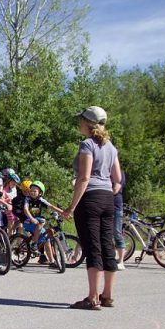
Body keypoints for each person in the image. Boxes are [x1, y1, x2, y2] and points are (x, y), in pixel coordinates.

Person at [62, 106, 122, 310]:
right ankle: (107, 295)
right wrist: (108, 191)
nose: (79, 124)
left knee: (92, 247)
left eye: (81, 120)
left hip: (90, 200)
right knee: (107, 244)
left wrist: (71, 206)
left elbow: (84, 177)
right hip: (107, 199)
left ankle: (92, 298)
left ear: (87, 123)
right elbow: (118, 179)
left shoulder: (87, 145)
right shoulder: (111, 147)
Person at [22, 181, 64, 267]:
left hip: (37, 222)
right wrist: (32, 218)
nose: (32, 192)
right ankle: (34, 244)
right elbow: (26, 210)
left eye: (35, 191)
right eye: (31, 190)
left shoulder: (41, 200)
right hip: (28, 221)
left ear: (40, 193)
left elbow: (51, 207)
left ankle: (52, 261)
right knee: (41, 222)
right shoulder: (27, 199)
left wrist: (63, 213)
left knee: (47, 240)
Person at [114, 171, 127, 270]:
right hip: (103, 206)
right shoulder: (103, 171)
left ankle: (121, 261)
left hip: (116, 207)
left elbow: (116, 189)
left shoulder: (119, 173)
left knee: (117, 233)